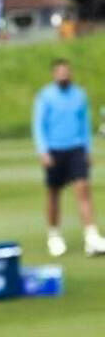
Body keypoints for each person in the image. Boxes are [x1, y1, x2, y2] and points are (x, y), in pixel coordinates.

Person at [32, 59, 103, 256]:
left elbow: (85, 124)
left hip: (76, 149)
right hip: (54, 150)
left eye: (66, 72)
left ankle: (91, 236)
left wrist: (87, 149)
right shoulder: (45, 96)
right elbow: (39, 125)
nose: (63, 75)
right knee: (54, 193)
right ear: (54, 74)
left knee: (83, 190)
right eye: (60, 72)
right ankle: (54, 236)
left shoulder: (79, 95)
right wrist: (43, 150)